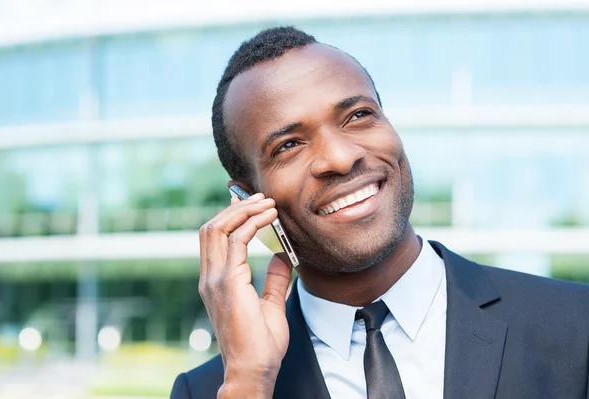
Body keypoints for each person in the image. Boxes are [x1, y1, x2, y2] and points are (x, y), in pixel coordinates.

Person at [171, 26, 589, 399]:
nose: (340, 156)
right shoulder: (211, 390)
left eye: (358, 116)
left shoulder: (575, 324)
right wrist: (249, 383)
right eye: (288, 145)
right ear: (246, 198)